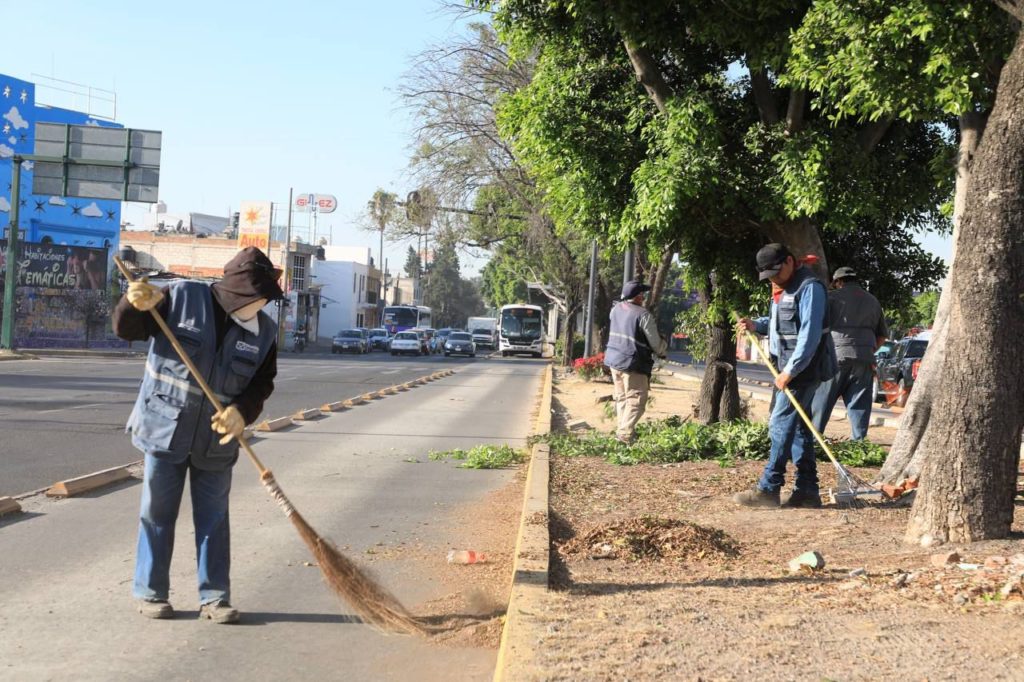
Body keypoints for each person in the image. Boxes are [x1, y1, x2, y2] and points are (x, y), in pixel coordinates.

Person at [113, 246, 284, 623]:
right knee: (157, 513)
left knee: (214, 518)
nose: (262, 307)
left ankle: (215, 598)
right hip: (165, 428)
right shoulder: (181, 297)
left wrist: (242, 413)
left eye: (266, 300)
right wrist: (131, 304)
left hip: (216, 441)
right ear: (237, 292)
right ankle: (151, 592)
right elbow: (127, 329)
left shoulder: (266, 332)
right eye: (258, 298)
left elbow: (261, 384)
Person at [735, 243, 836, 508]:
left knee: (780, 424)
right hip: (787, 368)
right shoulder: (783, 288)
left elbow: (809, 336)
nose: (774, 280)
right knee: (800, 429)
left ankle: (769, 488)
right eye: (768, 276)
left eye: (776, 273)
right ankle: (807, 491)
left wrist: (789, 372)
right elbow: (780, 322)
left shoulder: (810, 288)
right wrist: (755, 325)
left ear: (790, 261)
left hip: (804, 369)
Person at [811, 267, 888, 440]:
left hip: (836, 356)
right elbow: (882, 335)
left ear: (838, 282)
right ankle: (859, 443)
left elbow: (817, 327)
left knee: (821, 401)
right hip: (865, 357)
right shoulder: (873, 301)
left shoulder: (831, 298)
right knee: (859, 403)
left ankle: (814, 441)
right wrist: (868, 349)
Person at [603, 280, 668, 444]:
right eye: (642, 294)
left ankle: (622, 432)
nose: (643, 297)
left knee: (622, 398)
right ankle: (624, 435)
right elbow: (655, 342)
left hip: (613, 361)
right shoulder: (643, 315)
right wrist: (662, 350)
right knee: (636, 399)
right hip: (632, 363)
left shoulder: (615, 310)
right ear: (638, 297)